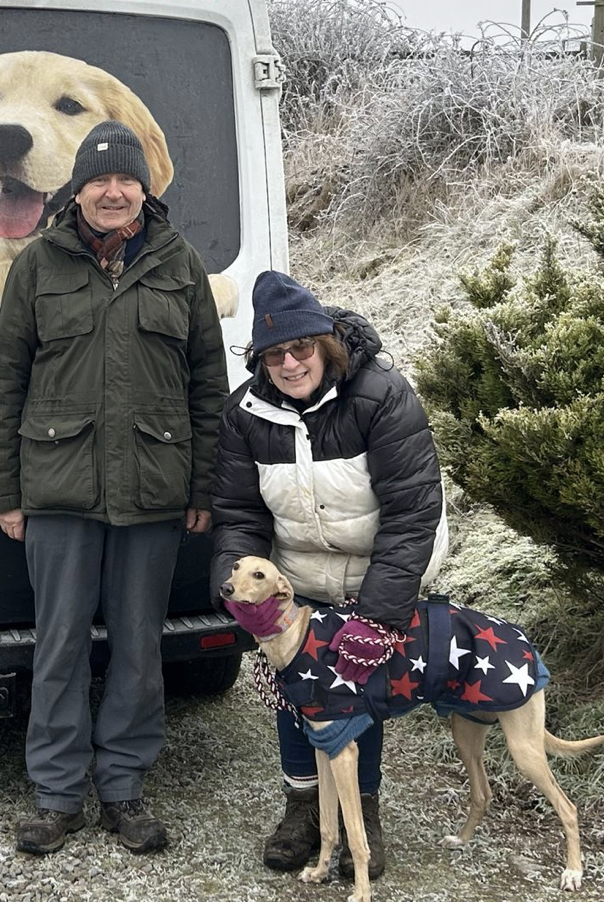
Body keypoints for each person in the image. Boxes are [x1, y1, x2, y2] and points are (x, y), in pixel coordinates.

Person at [0, 120, 228, 857]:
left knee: (137, 646)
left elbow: (207, 386)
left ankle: (123, 788)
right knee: (58, 645)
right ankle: (58, 796)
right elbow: (7, 385)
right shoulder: (38, 265)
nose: (113, 191)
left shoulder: (180, 264)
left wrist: (202, 486)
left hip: (154, 490)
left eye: (125, 180)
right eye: (99, 180)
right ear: (78, 190)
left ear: (143, 189)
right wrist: (7, 492)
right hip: (57, 488)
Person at [210, 270, 449, 879]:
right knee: (295, 694)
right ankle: (304, 807)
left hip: (380, 568)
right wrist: (238, 584)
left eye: (302, 348)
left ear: (327, 343)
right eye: (275, 354)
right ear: (260, 359)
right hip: (299, 575)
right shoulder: (245, 414)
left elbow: (413, 511)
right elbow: (238, 514)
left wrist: (377, 614)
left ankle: (361, 814)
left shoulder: (381, 395)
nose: (290, 364)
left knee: (356, 690)